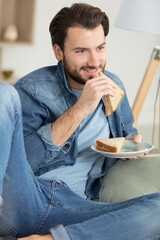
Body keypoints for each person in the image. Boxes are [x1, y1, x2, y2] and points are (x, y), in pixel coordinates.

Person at [1, 3, 160, 240]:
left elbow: (128, 133)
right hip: (27, 199)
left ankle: (53, 239)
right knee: (4, 92)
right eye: (81, 51)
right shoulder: (33, 89)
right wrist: (82, 107)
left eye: (100, 48)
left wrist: (131, 145)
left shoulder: (113, 85)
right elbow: (20, 163)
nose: (94, 61)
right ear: (59, 52)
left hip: (73, 207)